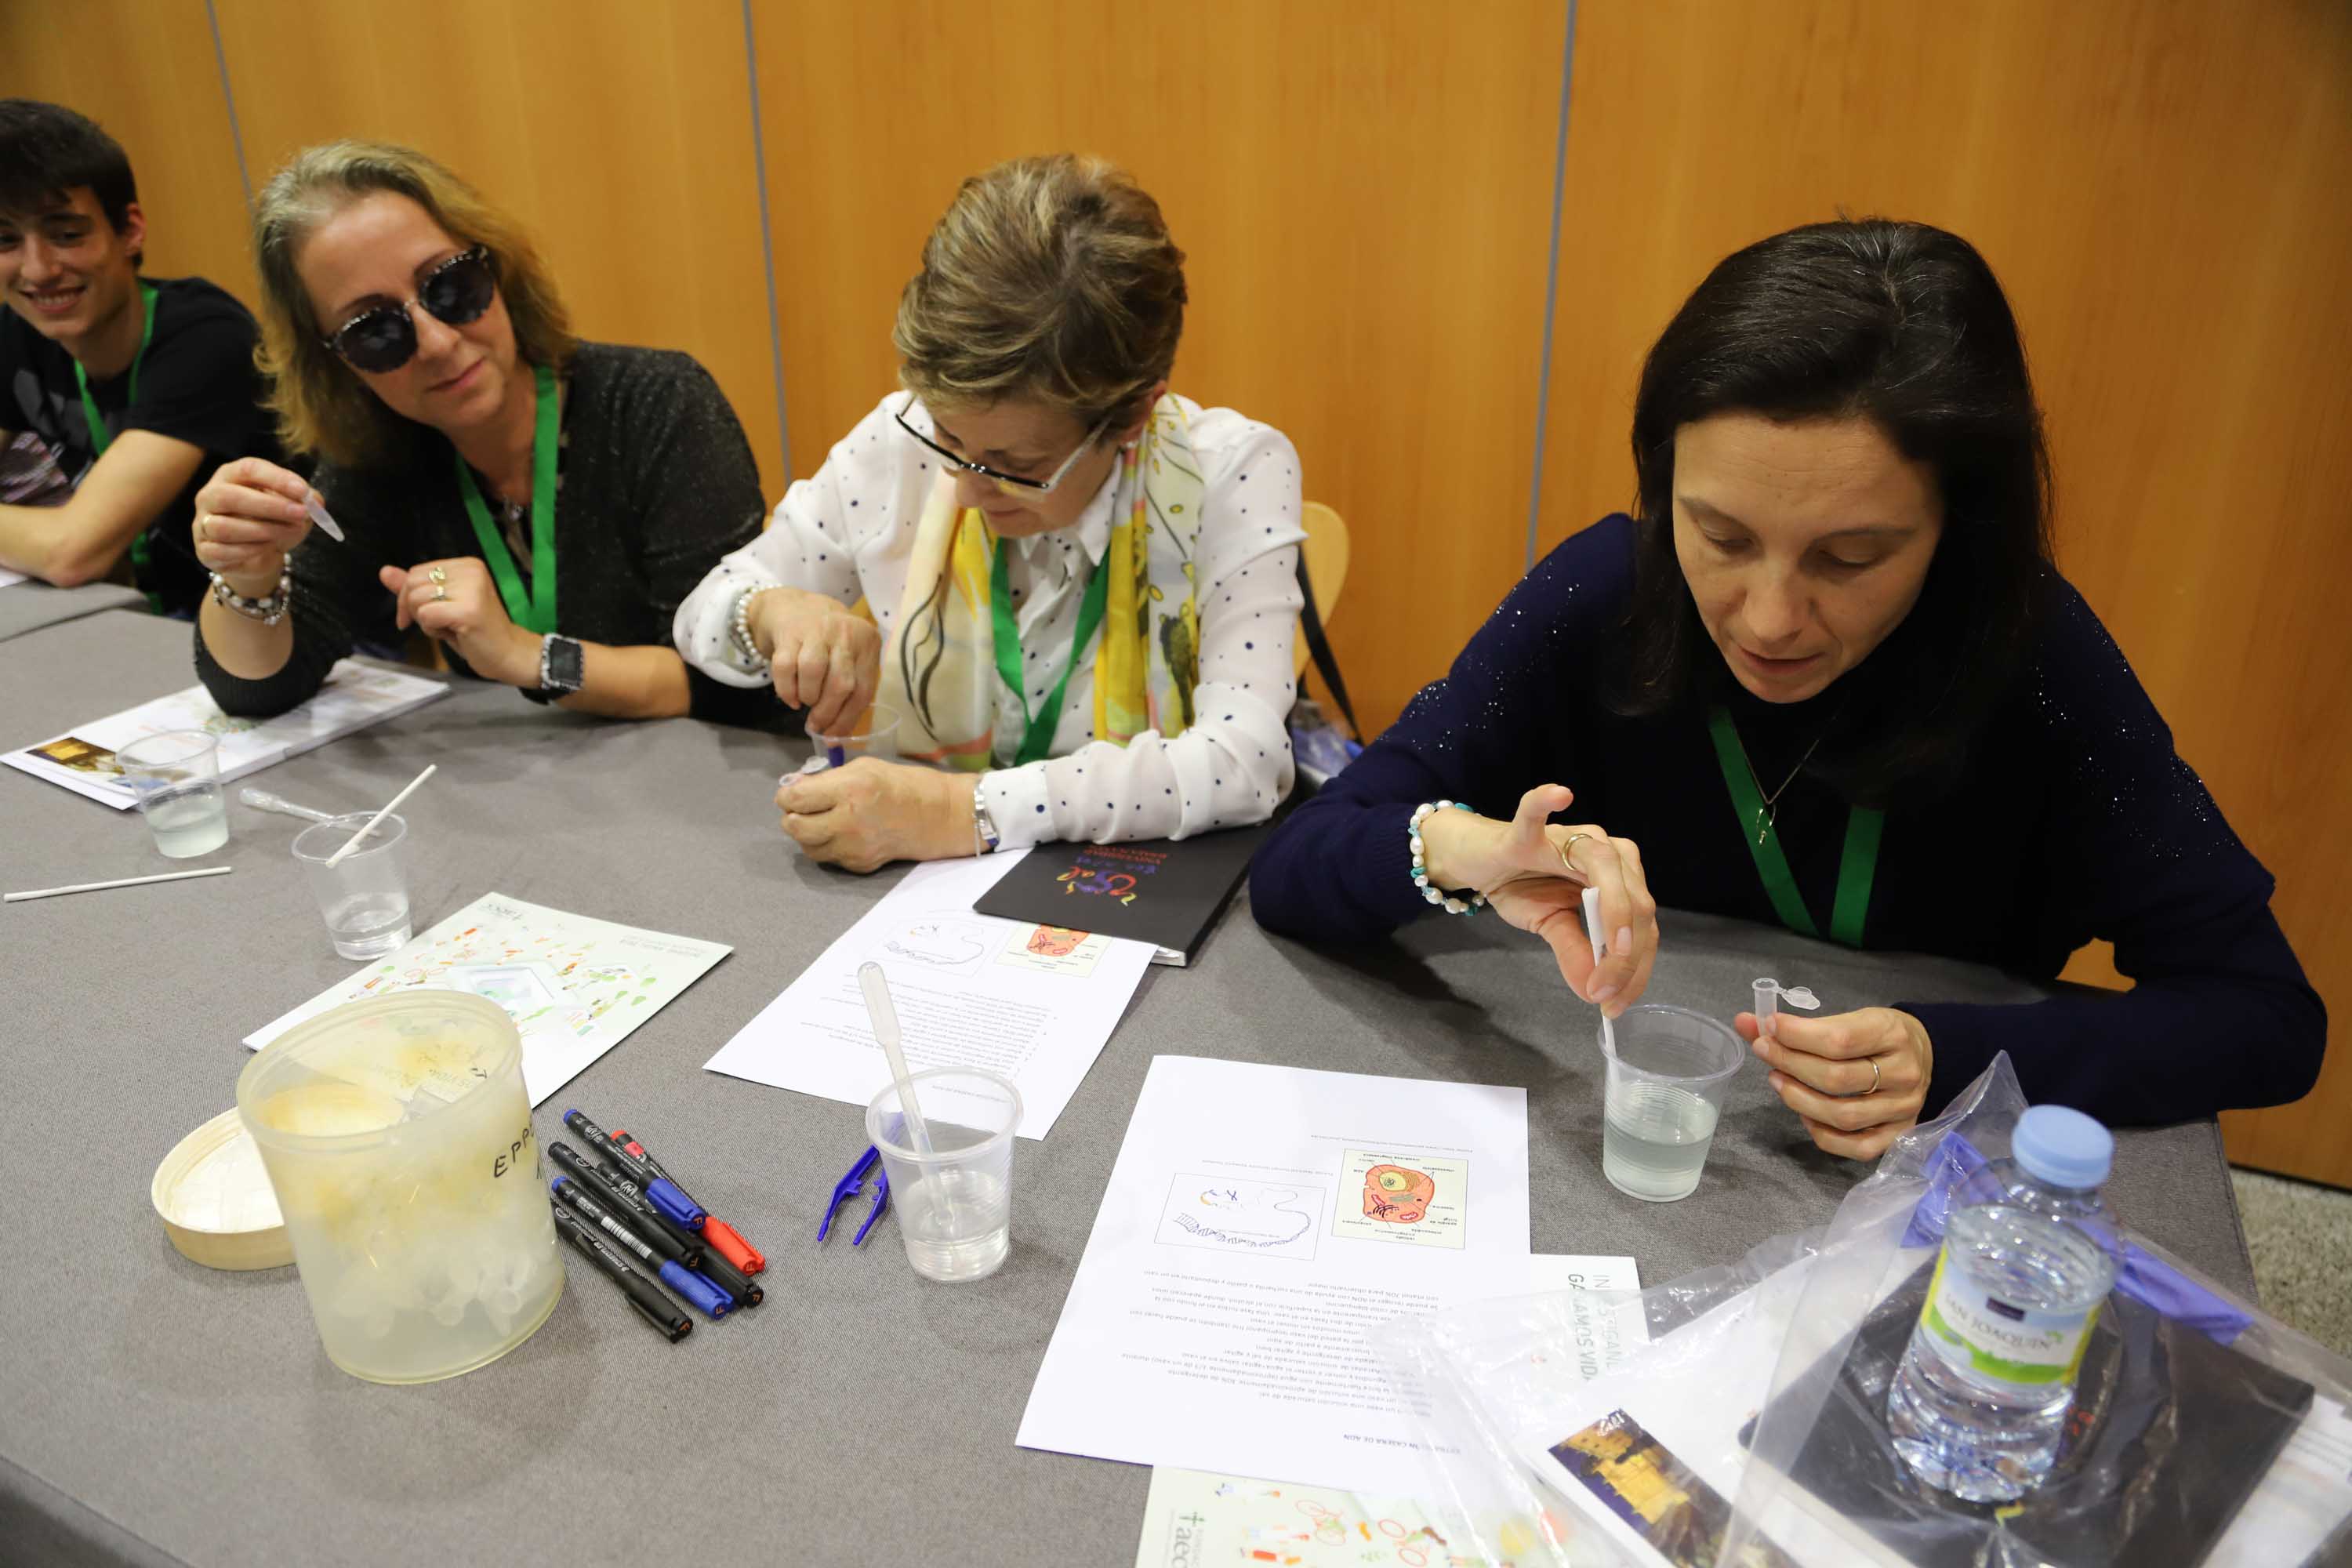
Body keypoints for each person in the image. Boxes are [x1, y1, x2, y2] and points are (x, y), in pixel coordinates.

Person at [1251, 219, 2324, 1156]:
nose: (1768, 618)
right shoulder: (1605, 598)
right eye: (1720, 535)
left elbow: (2266, 1017)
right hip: (1623, 1151)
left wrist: (1951, 1053)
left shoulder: (2032, 660)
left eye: (1851, 560)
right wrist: (1474, 851)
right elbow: (1296, 866)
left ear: (1958, 531)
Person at [673, 154, 1306, 873]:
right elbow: (703, 612)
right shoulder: (898, 437)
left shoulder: (1230, 473)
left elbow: (1243, 763)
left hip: (1135, 887)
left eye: (1018, 467)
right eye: (948, 438)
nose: (966, 489)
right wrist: (772, 611)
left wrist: (962, 811)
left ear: (1132, 416)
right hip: (915, 891)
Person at [190, 141, 767, 720]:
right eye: (376, 330)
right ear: (338, 363)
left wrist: (527, 655)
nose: (438, 343)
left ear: (498, 268)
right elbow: (258, 689)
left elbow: (729, 678)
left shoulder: (656, 403)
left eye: (450, 285)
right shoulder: (379, 457)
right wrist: (249, 577)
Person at [0, 100, 278, 611]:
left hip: (280, 621)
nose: (37, 271)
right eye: (6, 240)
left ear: (130, 230)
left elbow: (73, 552)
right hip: (154, 622)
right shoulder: (17, 332)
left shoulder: (205, 336)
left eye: (67, 235)